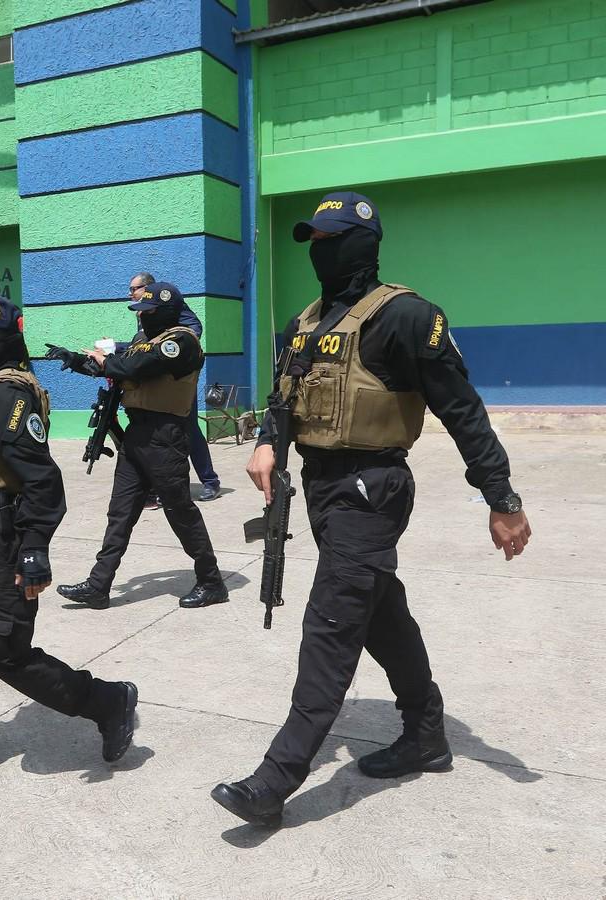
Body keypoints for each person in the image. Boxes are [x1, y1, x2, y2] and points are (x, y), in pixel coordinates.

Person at [211, 192, 534, 830]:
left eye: (332, 240)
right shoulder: (305, 323)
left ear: (364, 244)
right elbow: (282, 401)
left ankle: (276, 780)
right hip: (323, 490)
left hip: (374, 489)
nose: (320, 252)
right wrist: (267, 443)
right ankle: (426, 734)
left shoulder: (408, 318)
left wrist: (501, 498)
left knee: (331, 624)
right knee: (381, 614)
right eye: (313, 241)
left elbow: (462, 409)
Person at [0, 295, 138, 779]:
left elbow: (42, 480)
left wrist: (34, 548)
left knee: (4, 650)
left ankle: (108, 702)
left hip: (4, 534)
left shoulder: (7, 395)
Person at [49, 283, 229, 611]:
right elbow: (118, 368)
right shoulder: (142, 341)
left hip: (165, 436)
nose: (142, 318)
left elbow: (132, 368)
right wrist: (75, 359)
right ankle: (99, 585)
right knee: (120, 512)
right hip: (137, 435)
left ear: (163, 312)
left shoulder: (182, 342)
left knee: (180, 512)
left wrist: (105, 361)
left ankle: (211, 581)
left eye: (146, 312)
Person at [129, 272, 222, 501]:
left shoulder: (171, 304)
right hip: (156, 380)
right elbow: (144, 342)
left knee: (188, 428)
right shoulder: (144, 310)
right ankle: (157, 486)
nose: (130, 293)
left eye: (134, 289)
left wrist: (168, 350)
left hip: (178, 379)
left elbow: (192, 331)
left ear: (148, 287)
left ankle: (210, 480)